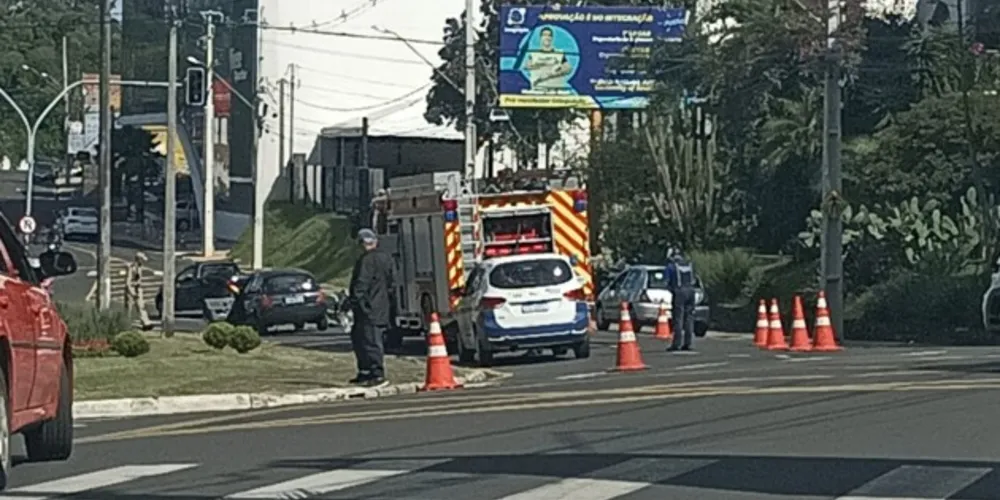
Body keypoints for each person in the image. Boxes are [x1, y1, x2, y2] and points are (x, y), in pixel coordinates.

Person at [348, 228, 397, 387]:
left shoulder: (366, 261)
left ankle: (376, 373)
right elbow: (391, 282)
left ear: (362, 243)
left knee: (368, 341)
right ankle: (365, 372)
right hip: (381, 306)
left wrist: (354, 302)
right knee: (366, 339)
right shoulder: (386, 258)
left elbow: (361, 285)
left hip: (367, 308)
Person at [665, 248, 696, 352]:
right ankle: (688, 343)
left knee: (678, 318)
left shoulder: (671, 266)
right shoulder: (688, 265)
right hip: (691, 291)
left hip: (679, 292)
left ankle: (676, 344)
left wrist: (671, 290)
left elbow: (667, 281)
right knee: (689, 318)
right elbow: (694, 279)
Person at [524, 27, 572, 91]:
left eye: (549, 35)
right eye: (544, 35)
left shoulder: (559, 53)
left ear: (552, 38)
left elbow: (568, 69)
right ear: (540, 38)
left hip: (557, 91)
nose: (547, 37)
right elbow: (527, 67)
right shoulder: (533, 54)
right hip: (538, 90)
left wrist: (551, 75)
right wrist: (545, 63)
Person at [125, 252, 153, 330]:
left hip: (138, 288)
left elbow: (139, 279)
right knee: (128, 308)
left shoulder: (140, 267)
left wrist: (139, 287)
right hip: (131, 288)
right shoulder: (132, 267)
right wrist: (132, 293)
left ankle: (146, 322)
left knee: (141, 306)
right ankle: (126, 323)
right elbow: (128, 282)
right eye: (142, 260)